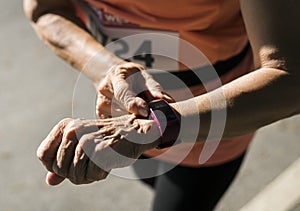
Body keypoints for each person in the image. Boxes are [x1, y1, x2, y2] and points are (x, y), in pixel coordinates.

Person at [24, 0, 300, 210]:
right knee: (153, 182)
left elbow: (290, 79)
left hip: (216, 122)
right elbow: (44, 10)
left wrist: (162, 124)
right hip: (122, 112)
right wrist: (110, 69)